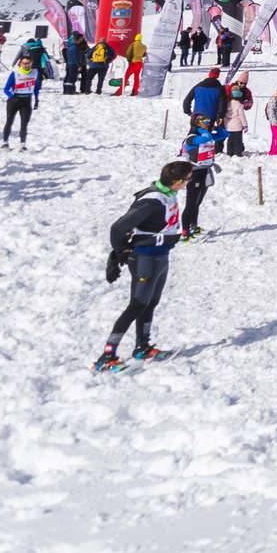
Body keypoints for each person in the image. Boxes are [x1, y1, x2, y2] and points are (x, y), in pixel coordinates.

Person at [93, 160, 194, 371]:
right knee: (137, 304)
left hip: (161, 255)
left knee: (151, 302)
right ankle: (106, 356)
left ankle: (142, 347)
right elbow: (118, 228)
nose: (188, 182)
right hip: (145, 258)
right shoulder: (152, 201)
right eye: (187, 179)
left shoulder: (167, 194)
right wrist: (118, 253)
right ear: (177, 182)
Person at [178, 117, 223, 237]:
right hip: (194, 173)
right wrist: (199, 129)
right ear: (197, 124)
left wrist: (216, 127)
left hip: (205, 172)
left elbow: (225, 134)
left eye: (209, 121)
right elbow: (206, 138)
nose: (208, 124)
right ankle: (185, 231)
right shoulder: (192, 138)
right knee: (191, 203)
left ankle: (194, 226)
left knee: (197, 202)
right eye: (206, 122)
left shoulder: (205, 134)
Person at [182, 68, 225, 135]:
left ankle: (186, 145)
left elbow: (187, 99)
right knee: (205, 136)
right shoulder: (220, 89)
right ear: (218, 76)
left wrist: (187, 111)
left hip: (196, 116)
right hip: (209, 117)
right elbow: (222, 104)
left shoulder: (198, 86)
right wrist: (220, 116)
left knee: (192, 135)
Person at [221, 77, 253, 157]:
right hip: (237, 126)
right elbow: (241, 116)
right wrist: (245, 125)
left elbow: (225, 115)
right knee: (238, 140)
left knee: (230, 140)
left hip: (228, 125)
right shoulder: (239, 105)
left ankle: (230, 152)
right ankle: (237, 152)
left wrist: (225, 124)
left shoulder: (228, 103)